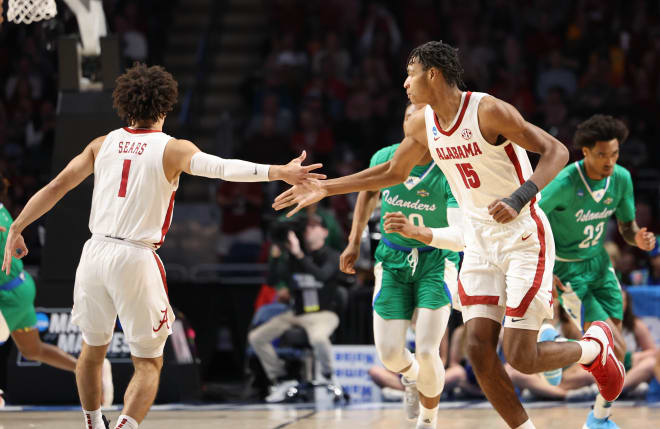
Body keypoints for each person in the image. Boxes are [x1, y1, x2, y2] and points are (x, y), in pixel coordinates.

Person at [273, 41, 625, 429]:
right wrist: (327, 188)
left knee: (521, 355)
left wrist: (520, 195)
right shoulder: (420, 122)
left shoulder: (488, 110)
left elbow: (555, 150)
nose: (405, 82)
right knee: (477, 350)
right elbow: (393, 172)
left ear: (433, 74)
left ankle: (594, 347)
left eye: (410, 73)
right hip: (478, 241)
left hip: (522, 236)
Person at [1, 63, 324, 429]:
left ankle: (93, 424)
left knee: (91, 353)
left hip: (93, 254)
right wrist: (277, 171)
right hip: (135, 257)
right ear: (166, 106)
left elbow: (56, 187)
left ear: (124, 105)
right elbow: (219, 168)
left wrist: (18, 228)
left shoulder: (101, 144)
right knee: (149, 362)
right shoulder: (172, 148)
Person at [340, 102, 462, 428]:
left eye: (421, 121)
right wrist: (354, 242)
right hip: (392, 259)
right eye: (409, 119)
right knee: (391, 355)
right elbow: (366, 193)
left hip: (436, 261)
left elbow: (458, 232)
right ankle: (411, 378)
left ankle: (428, 420)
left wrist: (418, 232)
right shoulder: (385, 157)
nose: (413, 126)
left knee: (426, 349)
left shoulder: (449, 167)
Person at [539, 114, 656, 428]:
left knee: (615, 351)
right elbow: (532, 218)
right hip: (568, 272)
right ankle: (551, 352)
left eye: (614, 153)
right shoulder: (565, 182)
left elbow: (627, 227)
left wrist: (638, 239)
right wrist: (544, 267)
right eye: (602, 154)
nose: (610, 161)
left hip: (601, 266)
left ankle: (598, 415)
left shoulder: (621, 179)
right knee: (610, 344)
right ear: (586, 152)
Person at [0, 174, 115, 408]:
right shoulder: (3, 208)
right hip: (20, 288)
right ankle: (87, 368)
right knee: (32, 351)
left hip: (7, 295)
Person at [249, 215, 341, 402]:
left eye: (313, 227)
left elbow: (322, 276)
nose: (308, 231)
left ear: (325, 232)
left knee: (319, 338)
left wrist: (299, 255)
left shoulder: (332, 256)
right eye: (307, 228)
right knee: (257, 337)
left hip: (324, 314)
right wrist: (277, 254)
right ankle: (281, 378)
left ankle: (330, 377)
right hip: (296, 313)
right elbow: (272, 281)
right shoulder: (293, 257)